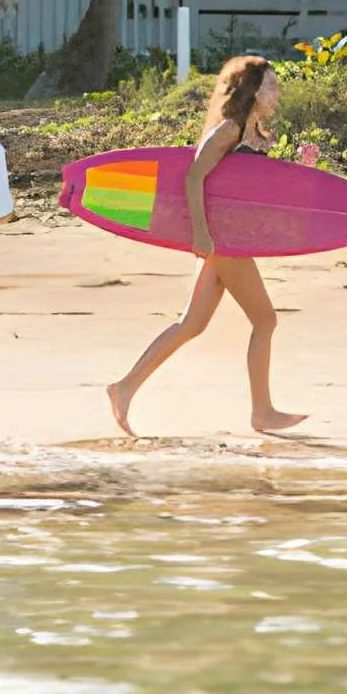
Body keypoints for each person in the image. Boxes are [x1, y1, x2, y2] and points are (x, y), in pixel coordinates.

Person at [104, 54, 308, 438]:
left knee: (192, 323)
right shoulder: (228, 129)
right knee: (265, 320)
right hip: (221, 239)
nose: (277, 89)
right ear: (251, 88)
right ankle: (262, 412)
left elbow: (249, 189)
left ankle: (124, 387)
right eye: (270, 83)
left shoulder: (259, 132)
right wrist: (201, 233)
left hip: (230, 236)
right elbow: (194, 177)